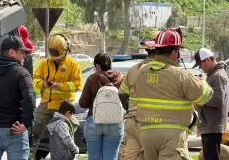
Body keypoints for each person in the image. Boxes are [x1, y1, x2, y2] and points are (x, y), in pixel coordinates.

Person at [133, 28, 213, 160]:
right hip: (172, 135)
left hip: (146, 134)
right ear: (174, 52)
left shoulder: (141, 72)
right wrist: (201, 80)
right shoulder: (180, 75)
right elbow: (205, 95)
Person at [32, 34, 82, 160]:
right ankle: (33, 156)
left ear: (66, 50)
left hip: (63, 109)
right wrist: (42, 83)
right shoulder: (44, 63)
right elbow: (35, 79)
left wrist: (59, 86)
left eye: (59, 57)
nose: (57, 59)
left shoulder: (73, 65)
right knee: (36, 132)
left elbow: (77, 85)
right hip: (45, 105)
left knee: (63, 137)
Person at [119, 32, 159, 160]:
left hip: (132, 122)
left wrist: (130, 109)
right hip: (153, 124)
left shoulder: (133, 69)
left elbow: (122, 93)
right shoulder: (165, 71)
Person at [79, 52, 125, 160]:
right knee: (111, 156)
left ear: (96, 66)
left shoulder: (92, 78)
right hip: (115, 122)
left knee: (94, 157)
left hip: (94, 121)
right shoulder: (121, 78)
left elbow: (83, 104)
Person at [193, 47, 229, 160]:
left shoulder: (217, 76)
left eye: (200, 64)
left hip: (212, 126)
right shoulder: (214, 75)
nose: (200, 68)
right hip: (210, 125)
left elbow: (218, 100)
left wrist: (199, 97)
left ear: (208, 60)